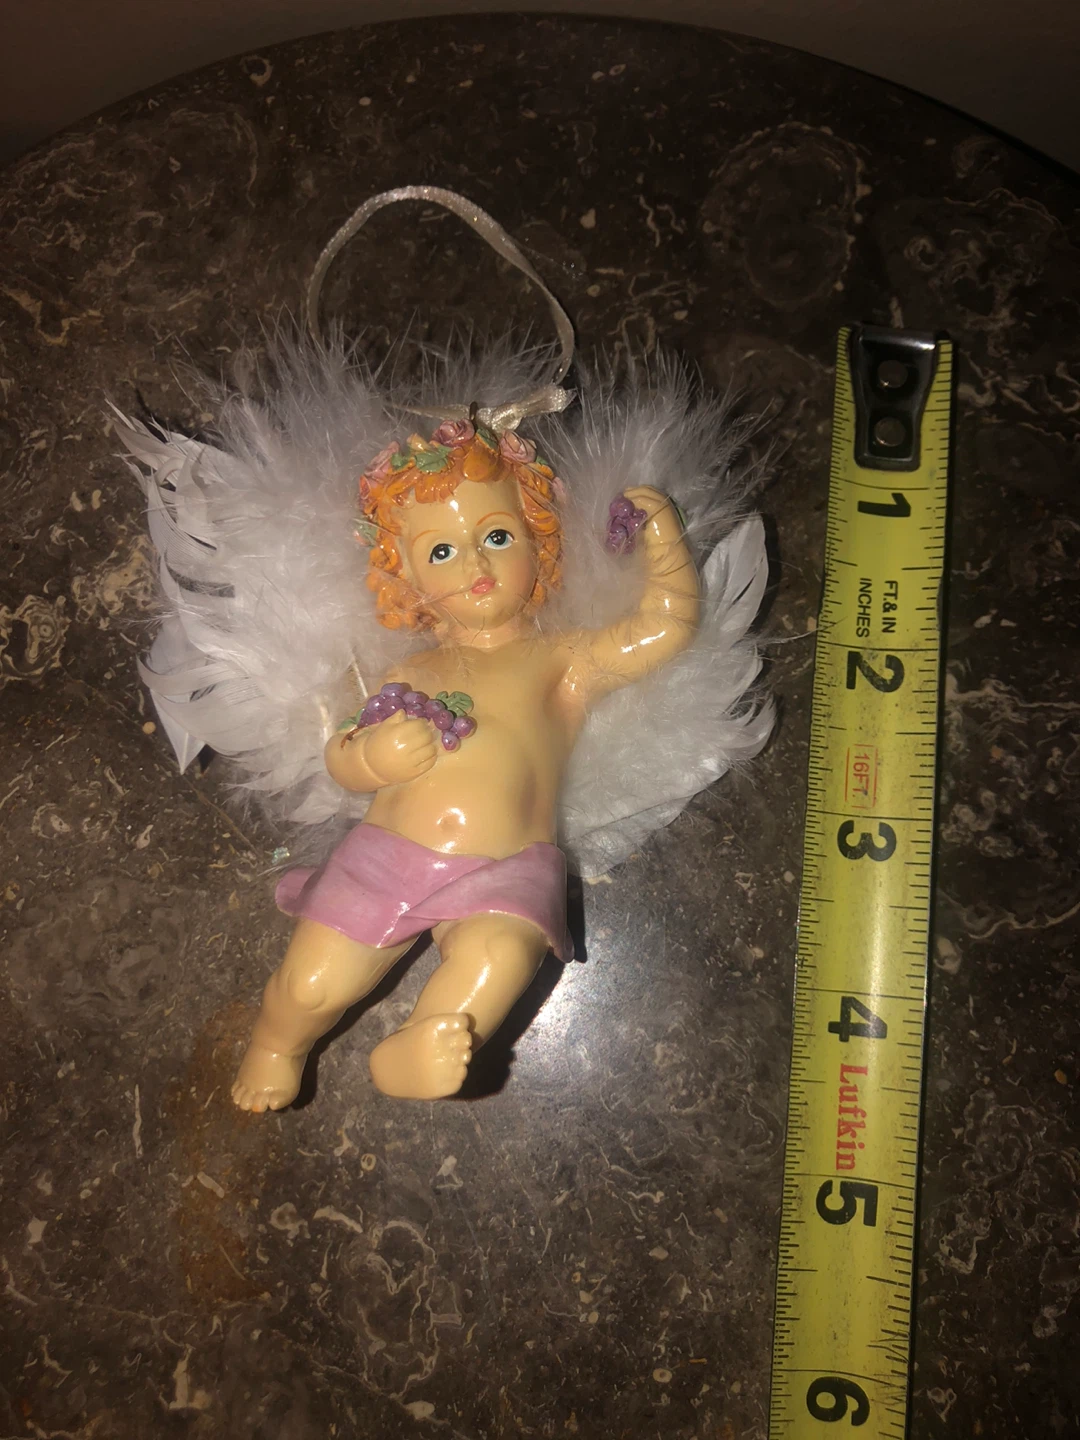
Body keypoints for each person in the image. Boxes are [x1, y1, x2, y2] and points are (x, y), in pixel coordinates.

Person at [230, 418, 699, 1111]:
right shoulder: (410, 672)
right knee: (310, 986)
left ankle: (419, 1043)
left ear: (539, 540)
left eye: (498, 537)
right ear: (407, 575)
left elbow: (663, 627)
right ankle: (277, 1045)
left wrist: (662, 540)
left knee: (499, 956)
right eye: (442, 550)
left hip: (505, 865)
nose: (475, 564)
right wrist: (373, 756)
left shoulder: (563, 660)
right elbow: (342, 755)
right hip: (388, 854)